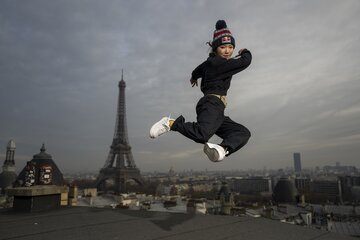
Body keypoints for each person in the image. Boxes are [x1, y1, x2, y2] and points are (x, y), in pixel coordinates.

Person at [149, 20, 252, 162]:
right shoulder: (222, 64)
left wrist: (193, 77)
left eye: (230, 47)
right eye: (223, 47)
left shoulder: (208, 63)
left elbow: (197, 70)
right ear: (215, 48)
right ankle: (170, 123)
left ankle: (222, 149)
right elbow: (245, 61)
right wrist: (245, 52)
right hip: (211, 105)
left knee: (242, 133)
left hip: (217, 110)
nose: (227, 51)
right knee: (202, 135)